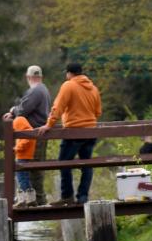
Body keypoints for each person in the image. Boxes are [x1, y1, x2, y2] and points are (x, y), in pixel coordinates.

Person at [38, 63, 103, 205]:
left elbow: (58, 107)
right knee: (86, 164)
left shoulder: (68, 86)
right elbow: (98, 112)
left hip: (73, 132)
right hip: (91, 131)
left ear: (69, 73)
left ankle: (67, 196)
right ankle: (83, 197)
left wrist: (49, 124)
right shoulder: (93, 88)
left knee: (63, 162)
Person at [4, 65, 51, 204]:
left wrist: (13, 110)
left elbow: (22, 110)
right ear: (41, 77)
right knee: (37, 168)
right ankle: (39, 199)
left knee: (29, 167)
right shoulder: (44, 89)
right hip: (40, 133)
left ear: (28, 77)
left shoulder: (35, 91)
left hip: (34, 134)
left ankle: (34, 200)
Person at [11, 115, 37, 207]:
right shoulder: (29, 131)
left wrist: (16, 148)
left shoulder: (27, 132)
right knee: (25, 177)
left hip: (23, 157)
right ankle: (30, 199)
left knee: (21, 177)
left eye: (15, 127)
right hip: (25, 156)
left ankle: (22, 199)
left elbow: (25, 143)